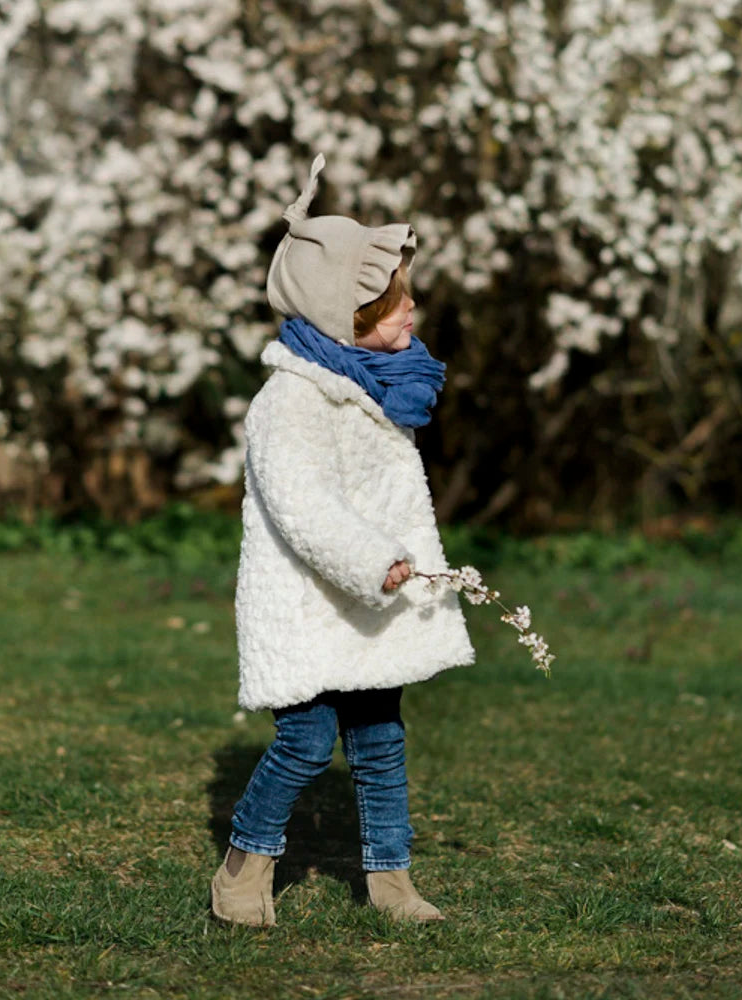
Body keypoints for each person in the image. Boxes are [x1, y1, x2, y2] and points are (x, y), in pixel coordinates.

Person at [210, 154, 475, 927]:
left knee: (381, 740)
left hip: (373, 599)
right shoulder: (289, 400)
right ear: (340, 318)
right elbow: (302, 502)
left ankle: (390, 882)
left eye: (408, 299)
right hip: (309, 601)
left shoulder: (380, 380)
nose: (411, 314)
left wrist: (395, 567)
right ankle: (242, 868)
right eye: (390, 307)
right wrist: (373, 558)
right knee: (305, 740)